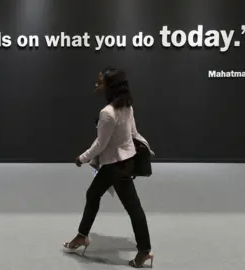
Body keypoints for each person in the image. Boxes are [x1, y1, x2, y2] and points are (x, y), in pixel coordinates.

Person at [63, 67, 154, 268]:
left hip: (115, 166)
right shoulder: (126, 107)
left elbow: (100, 145)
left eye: (100, 81)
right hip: (124, 162)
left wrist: (82, 158)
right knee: (93, 194)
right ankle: (82, 235)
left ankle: (145, 250)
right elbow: (133, 133)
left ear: (110, 86)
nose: (96, 84)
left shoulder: (107, 113)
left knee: (132, 208)